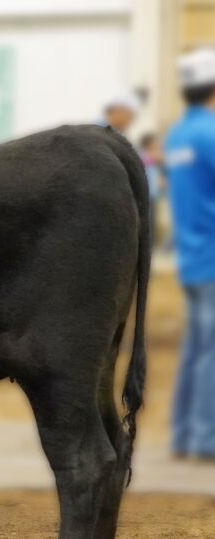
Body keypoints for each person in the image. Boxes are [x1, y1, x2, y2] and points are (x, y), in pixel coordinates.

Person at [164, 47, 215, 460]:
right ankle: (205, 438)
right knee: (210, 351)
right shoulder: (210, 133)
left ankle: (183, 434)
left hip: (192, 256)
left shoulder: (178, 135)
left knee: (196, 348)